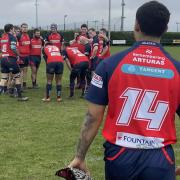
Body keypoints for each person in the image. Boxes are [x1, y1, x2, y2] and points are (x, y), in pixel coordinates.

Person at [67, 1, 180, 180]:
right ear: (166, 28)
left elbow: (93, 117)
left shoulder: (109, 65)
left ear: (136, 25)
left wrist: (80, 156)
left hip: (120, 156)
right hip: (160, 157)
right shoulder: (177, 70)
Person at [0, 24, 28, 101]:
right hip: (10, 59)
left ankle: (10, 91)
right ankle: (20, 96)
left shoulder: (3, 37)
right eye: (13, 29)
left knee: (3, 78)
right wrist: (18, 55)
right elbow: (13, 48)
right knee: (17, 76)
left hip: (3, 59)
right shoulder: (12, 37)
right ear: (11, 29)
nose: (14, 30)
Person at [17, 23, 31, 89]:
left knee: (25, 70)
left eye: (26, 27)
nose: (25, 28)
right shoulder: (19, 35)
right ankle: (19, 85)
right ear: (21, 28)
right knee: (20, 71)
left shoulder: (28, 35)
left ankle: (24, 84)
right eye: (23, 27)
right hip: (21, 56)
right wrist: (18, 55)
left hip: (27, 56)